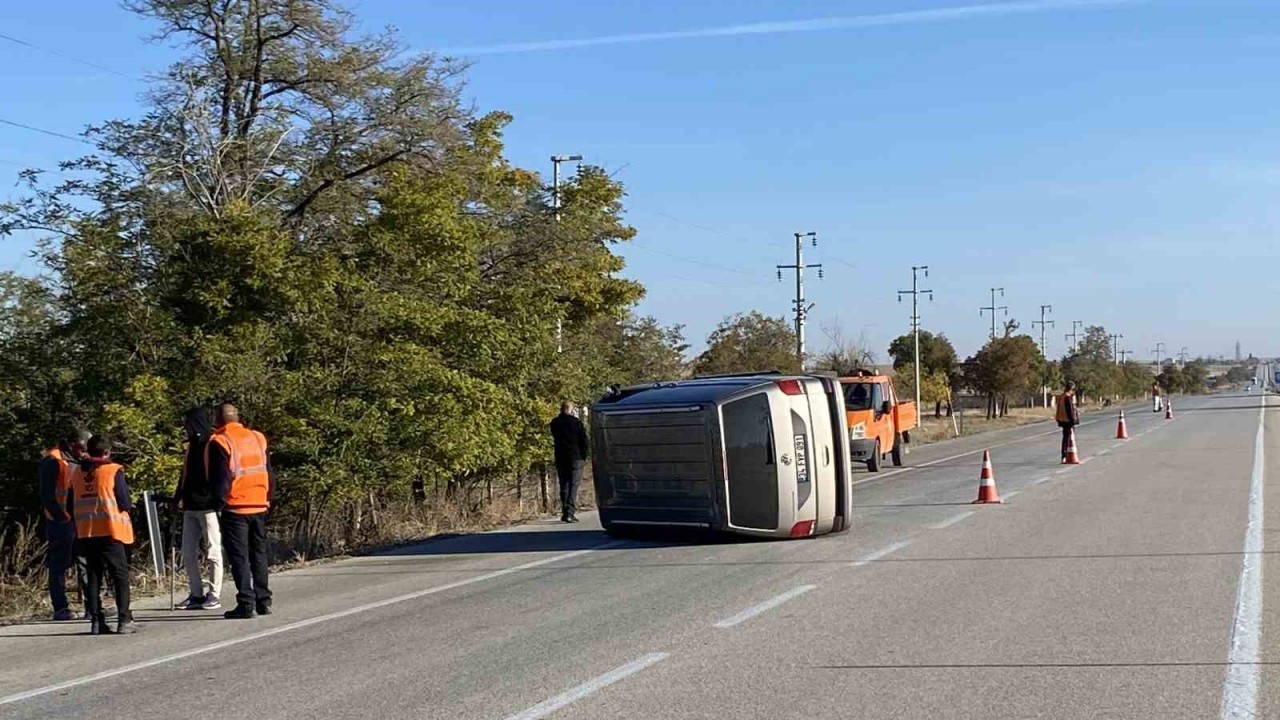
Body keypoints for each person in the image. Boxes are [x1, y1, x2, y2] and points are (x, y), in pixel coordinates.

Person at [206, 403, 274, 620]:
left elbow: (221, 479)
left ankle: (246, 603)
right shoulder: (257, 438)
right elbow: (269, 471)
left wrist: (218, 504)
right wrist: (268, 497)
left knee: (240, 557)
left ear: (217, 419)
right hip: (259, 502)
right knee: (259, 554)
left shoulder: (220, 441)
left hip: (236, 506)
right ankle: (264, 600)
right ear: (237, 417)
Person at [70, 436, 140, 635]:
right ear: (107, 451)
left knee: (94, 575)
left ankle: (96, 620)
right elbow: (124, 501)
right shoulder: (112, 470)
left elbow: (70, 502)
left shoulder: (76, 473)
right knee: (119, 575)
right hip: (111, 529)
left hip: (87, 530)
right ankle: (125, 620)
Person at [174, 407, 223, 610]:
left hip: (209, 507)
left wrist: (218, 502)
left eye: (188, 424)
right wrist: (178, 498)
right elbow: (184, 475)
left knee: (213, 551)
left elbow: (219, 476)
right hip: (190, 506)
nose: (186, 428)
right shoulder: (191, 446)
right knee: (188, 552)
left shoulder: (213, 444)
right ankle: (196, 594)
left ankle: (214, 594)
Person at [39, 429, 90, 621]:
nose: (85, 453)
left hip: (80, 520)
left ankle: (91, 605)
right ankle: (60, 608)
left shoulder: (78, 460)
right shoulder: (53, 460)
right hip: (60, 522)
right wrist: (61, 517)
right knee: (58, 565)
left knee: (85, 562)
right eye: (82, 448)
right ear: (71, 444)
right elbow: (46, 495)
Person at [549, 401, 588, 523]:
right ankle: (570, 512)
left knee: (564, 484)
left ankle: (565, 511)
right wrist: (584, 455)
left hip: (561, 456)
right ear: (571, 409)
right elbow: (584, 440)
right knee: (573, 485)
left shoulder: (555, 423)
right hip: (575, 457)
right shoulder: (576, 423)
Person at [1056, 382, 1080, 460]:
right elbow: (1070, 410)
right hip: (1068, 420)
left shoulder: (1061, 397)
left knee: (1065, 437)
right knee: (1069, 438)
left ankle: (1064, 454)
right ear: (1071, 389)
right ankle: (1067, 454)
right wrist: (1074, 421)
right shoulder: (1068, 397)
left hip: (1062, 419)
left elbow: (1059, 409)